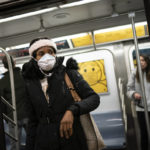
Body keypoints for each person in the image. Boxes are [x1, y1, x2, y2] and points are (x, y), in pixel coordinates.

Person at [22, 37, 100, 150]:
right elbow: (32, 121)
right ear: (34, 58)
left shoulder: (69, 73)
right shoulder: (30, 83)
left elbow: (94, 98)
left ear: (55, 54)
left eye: (50, 52)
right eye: (41, 53)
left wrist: (72, 110)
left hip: (71, 138)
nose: (47, 56)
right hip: (44, 141)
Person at [0, 56, 28, 150]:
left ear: (4, 66)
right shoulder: (24, 75)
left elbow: (2, 103)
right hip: (28, 114)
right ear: (14, 62)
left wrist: (7, 117)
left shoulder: (2, 81)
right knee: (34, 140)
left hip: (13, 117)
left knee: (15, 145)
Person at [126, 54, 150, 150]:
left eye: (143, 60)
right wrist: (134, 94)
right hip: (141, 108)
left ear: (147, 61)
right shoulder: (134, 73)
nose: (141, 62)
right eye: (139, 60)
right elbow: (129, 89)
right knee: (144, 134)